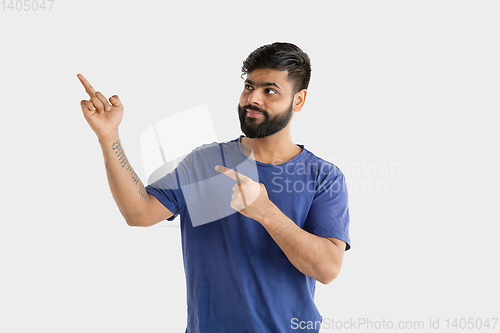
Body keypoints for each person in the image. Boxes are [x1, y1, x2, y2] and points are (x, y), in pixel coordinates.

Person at [78, 42, 351, 333]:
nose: (253, 98)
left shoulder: (323, 176)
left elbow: (327, 269)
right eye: (249, 86)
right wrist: (109, 138)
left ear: (298, 100)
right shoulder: (207, 162)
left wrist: (266, 212)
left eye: (270, 90)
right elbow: (138, 213)